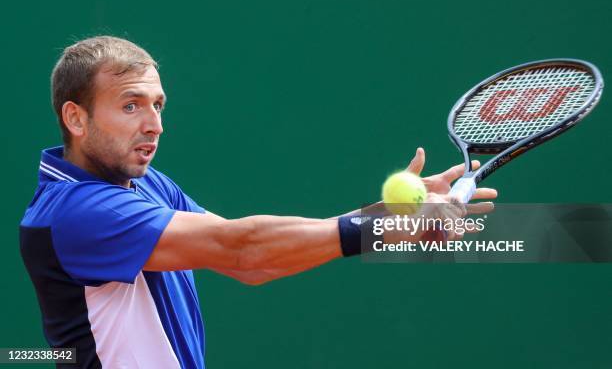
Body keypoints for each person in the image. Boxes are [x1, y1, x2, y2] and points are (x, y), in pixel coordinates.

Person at [19, 36, 497, 369]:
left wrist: (388, 216)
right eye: (131, 105)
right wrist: (386, 230)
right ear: (76, 119)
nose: (154, 124)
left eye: (158, 105)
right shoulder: (77, 214)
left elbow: (252, 263)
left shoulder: (144, 186)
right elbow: (242, 248)